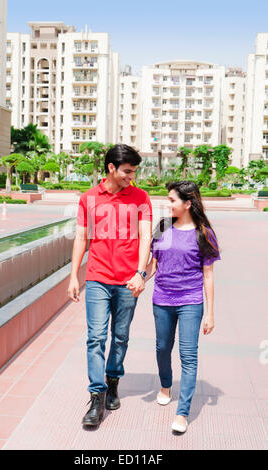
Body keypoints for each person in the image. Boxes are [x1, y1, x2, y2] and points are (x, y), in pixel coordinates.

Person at [68, 144, 153, 427]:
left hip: (128, 281)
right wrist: (73, 277)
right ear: (111, 168)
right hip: (97, 279)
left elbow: (146, 238)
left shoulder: (141, 197)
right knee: (95, 338)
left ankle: (113, 379)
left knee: (120, 336)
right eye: (128, 171)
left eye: (134, 171)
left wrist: (141, 273)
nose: (132, 176)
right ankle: (97, 396)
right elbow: (81, 238)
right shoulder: (88, 199)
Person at [146, 181, 221, 434]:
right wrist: (138, 278)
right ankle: (166, 385)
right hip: (162, 299)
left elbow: (208, 276)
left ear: (187, 203)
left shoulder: (204, 233)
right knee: (162, 347)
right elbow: (152, 266)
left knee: (188, 356)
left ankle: (182, 412)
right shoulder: (162, 228)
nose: (168, 205)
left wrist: (210, 313)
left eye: (172, 200)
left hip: (190, 301)